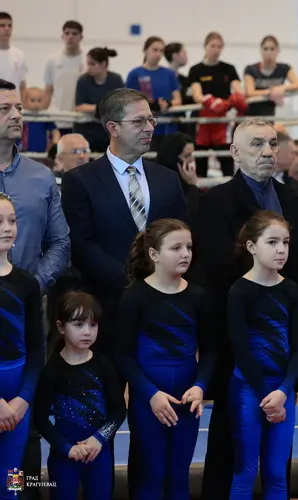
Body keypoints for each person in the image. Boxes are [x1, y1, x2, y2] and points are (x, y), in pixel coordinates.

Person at [194, 118, 298, 500]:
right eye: (257, 144)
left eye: (273, 143)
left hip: (283, 339)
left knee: (278, 446)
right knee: (231, 443)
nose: (268, 152)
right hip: (235, 337)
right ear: (234, 152)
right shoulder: (215, 201)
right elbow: (212, 271)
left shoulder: (292, 199)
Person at [62, 87, 189, 358]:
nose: (149, 128)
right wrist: (135, 284)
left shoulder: (167, 179)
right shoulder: (80, 180)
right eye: (139, 121)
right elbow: (82, 246)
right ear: (113, 128)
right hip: (107, 307)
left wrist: (161, 282)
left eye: (151, 120)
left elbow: (183, 235)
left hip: (164, 307)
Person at [118, 218, 216, 499]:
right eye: (176, 248)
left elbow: (210, 350)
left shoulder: (199, 296)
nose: (185, 254)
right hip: (149, 402)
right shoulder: (135, 297)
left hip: (186, 401)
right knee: (150, 475)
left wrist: (200, 387)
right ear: (154, 254)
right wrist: (150, 394)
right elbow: (122, 355)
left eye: (189, 247)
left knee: (178, 476)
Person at [227, 211, 298, 498]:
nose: (281, 249)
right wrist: (266, 396)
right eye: (272, 242)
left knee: (276, 472)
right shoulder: (239, 292)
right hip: (249, 388)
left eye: (285, 242)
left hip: (283, 390)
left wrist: (284, 392)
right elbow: (241, 351)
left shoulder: (291, 290)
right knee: (246, 471)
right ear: (251, 246)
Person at [33, 291, 125, 500]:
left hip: (98, 452)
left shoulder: (105, 366)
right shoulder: (51, 371)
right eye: (79, 325)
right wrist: (66, 448)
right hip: (65, 456)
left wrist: (99, 438)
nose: (87, 332)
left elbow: (119, 411)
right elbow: (40, 418)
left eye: (93, 325)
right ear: (60, 327)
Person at [0, 79, 70, 293]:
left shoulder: (42, 176)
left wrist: (35, 285)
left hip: (29, 303)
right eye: (5, 108)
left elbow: (60, 243)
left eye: (19, 108)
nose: (17, 115)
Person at [0, 192, 44, 498]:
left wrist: (23, 399)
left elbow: (37, 348)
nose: (7, 227)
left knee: (12, 478)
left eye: (12, 220)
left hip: (18, 395)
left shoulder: (27, 284)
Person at [188, 31, 243, 177]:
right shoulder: (196, 70)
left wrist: (226, 102)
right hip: (203, 122)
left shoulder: (228, 68)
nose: (216, 50)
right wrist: (209, 101)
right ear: (205, 46)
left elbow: (239, 91)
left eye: (219, 46)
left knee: (226, 164)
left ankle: (230, 191)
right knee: (201, 166)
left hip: (222, 122)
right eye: (213, 46)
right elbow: (197, 95)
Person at [125, 36, 181, 150]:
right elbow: (128, 101)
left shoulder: (169, 74)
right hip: (144, 129)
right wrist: (150, 105)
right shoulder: (135, 74)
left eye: (161, 51)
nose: (158, 54)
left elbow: (178, 99)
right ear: (146, 50)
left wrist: (168, 104)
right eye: (155, 50)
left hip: (168, 127)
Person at [73, 48, 124, 153]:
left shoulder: (116, 80)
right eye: (88, 64)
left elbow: (122, 103)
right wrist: (98, 108)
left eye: (92, 64)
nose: (89, 67)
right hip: (87, 130)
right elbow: (79, 106)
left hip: (108, 132)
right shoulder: (83, 80)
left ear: (103, 64)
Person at [43, 20, 86, 136]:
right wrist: (44, 115)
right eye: (67, 33)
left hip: (79, 119)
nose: (70, 37)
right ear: (62, 36)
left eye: (74, 33)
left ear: (81, 37)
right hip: (57, 118)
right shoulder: (52, 61)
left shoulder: (87, 61)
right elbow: (48, 90)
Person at [243, 35, 298, 118]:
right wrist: (271, 92)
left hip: (270, 114)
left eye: (272, 49)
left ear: (278, 51)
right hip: (252, 114)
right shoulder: (251, 69)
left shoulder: (284, 68)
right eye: (265, 49)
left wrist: (282, 88)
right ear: (261, 51)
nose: (269, 52)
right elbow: (249, 92)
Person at [155, 132, 201, 218]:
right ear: (173, 156)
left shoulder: (185, 180)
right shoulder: (161, 183)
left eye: (191, 155)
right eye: (187, 156)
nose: (192, 160)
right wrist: (193, 185)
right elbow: (190, 214)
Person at [0, 13, 26, 99]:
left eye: (10, 26)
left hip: (13, 105)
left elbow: (23, 86)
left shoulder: (20, 55)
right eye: (2, 25)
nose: (7, 28)